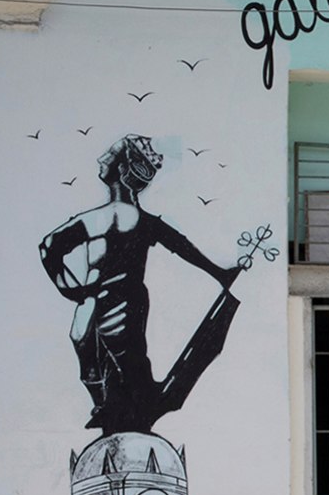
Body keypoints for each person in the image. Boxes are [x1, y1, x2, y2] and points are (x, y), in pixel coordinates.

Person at [39, 136, 243, 435]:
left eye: (109, 158)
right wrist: (72, 290)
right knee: (99, 356)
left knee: (119, 360)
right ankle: (109, 408)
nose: (102, 162)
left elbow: (49, 248)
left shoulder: (104, 220)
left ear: (121, 170)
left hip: (113, 302)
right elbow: (182, 247)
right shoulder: (125, 221)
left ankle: (120, 409)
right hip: (102, 302)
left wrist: (71, 289)